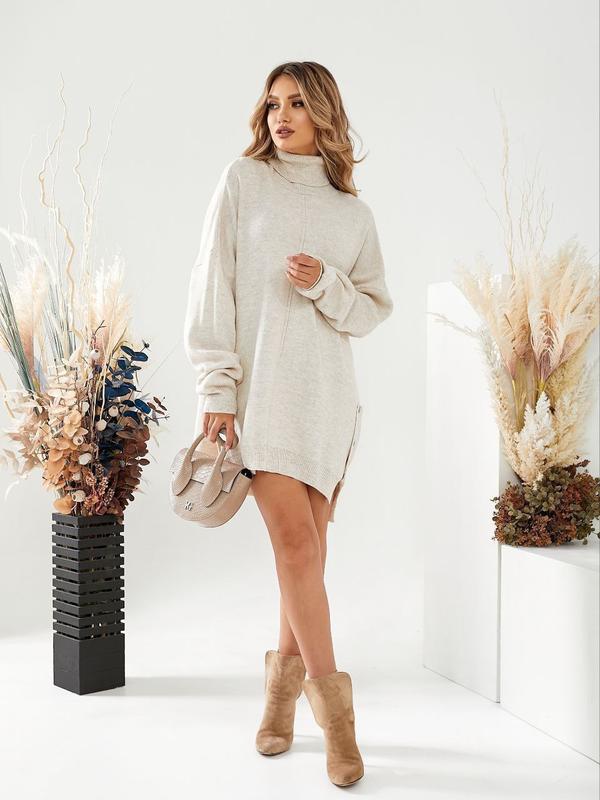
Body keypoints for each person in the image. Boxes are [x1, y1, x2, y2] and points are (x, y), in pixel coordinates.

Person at [183, 61, 394, 787]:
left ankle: (279, 698)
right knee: (296, 548)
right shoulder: (243, 182)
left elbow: (370, 311)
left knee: (307, 557)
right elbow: (211, 286)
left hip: (326, 401)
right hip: (261, 399)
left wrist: (328, 285)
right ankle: (339, 723)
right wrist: (217, 386)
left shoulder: (353, 215)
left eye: (297, 103)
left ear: (324, 113)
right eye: (273, 102)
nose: (280, 115)